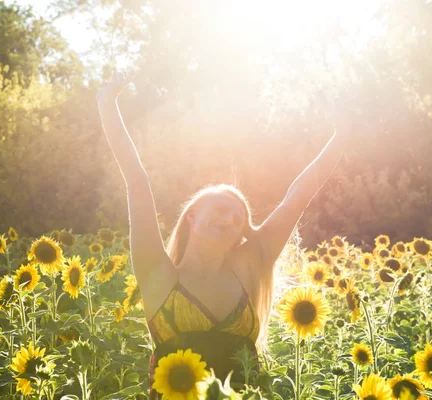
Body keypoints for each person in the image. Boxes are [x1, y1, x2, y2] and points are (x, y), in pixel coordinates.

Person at [96, 71, 349, 398]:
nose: (229, 218)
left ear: (242, 233)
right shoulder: (158, 274)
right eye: (219, 209)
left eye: (239, 216)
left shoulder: (249, 268)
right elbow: (137, 184)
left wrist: (342, 135)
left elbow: (297, 197)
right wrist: (107, 105)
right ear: (191, 217)